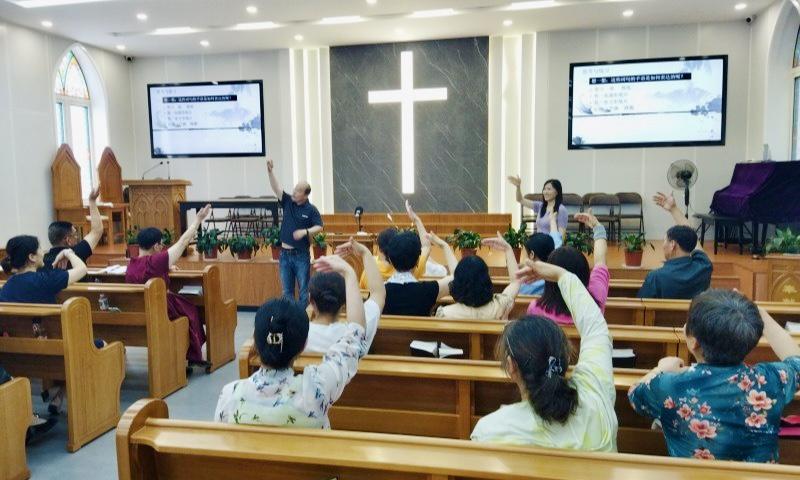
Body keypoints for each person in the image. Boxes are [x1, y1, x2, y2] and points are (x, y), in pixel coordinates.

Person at [628, 289, 800, 463]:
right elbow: (797, 362)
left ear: (694, 341)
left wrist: (660, 369)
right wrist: (757, 313)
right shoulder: (770, 380)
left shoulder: (670, 385)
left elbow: (635, 394)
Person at [471, 260, 617, 451]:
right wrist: (561, 274)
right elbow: (596, 329)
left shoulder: (489, 431)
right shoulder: (595, 398)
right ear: (564, 356)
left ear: (511, 366)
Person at [215, 254, 369, 428]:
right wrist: (349, 272)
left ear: (256, 344)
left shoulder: (230, 394)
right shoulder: (316, 390)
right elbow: (355, 335)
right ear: (303, 346)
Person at [0, 235, 89, 415]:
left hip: (17, 354)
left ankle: (58, 392)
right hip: (56, 352)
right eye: (40, 248)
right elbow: (82, 269)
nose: (44, 252)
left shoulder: (7, 287)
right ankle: (61, 392)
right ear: (32, 257)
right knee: (102, 346)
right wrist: (68, 252)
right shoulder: (45, 280)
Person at [125, 204, 212, 366]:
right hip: (159, 308)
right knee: (192, 312)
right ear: (156, 246)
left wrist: (168, 266)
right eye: (161, 244)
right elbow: (183, 241)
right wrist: (198, 219)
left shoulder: (132, 263)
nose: (162, 247)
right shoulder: (155, 261)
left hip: (141, 309)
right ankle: (192, 356)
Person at [526, 210, 609, 326]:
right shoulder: (596, 297)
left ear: (550, 276)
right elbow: (600, 259)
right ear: (585, 273)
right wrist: (597, 226)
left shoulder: (536, 308)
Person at [306, 237, 385, 353]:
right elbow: (378, 294)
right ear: (344, 303)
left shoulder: (298, 338)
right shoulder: (354, 335)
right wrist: (365, 253)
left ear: (310, 300)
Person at [267, 159, 323, 307]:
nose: (294, 192)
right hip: (284, 254)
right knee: (287, 292)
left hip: (301, 255)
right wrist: (270, 171)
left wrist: (305, 232)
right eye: (295, 189)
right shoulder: (288, 202)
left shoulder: (311, 210)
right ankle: (291, 319)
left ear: (305, 195)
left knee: (304, 291)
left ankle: (302, 320)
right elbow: (276, 188)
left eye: (298, 191)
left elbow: (319, 226)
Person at [638, 191, 712, 299]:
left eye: (665, 241)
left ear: (672, 244)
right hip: (695, 316)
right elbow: (692, 237)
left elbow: (641, 306)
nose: (663, 246)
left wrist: (673, 209)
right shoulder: (704, 267)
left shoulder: (655, 277)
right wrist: (673, 209)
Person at [435, 233, 520, 320]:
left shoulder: (444, 314)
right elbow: (516, 282)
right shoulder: (500, 306)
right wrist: (508, 249)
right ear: (487, 281)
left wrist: (445, 246)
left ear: (457, 284)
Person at [382, 230, 457, 316]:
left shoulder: (379, 292)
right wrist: (444, 246)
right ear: (418, 260)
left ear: (390, 261)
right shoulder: (428, 290)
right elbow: (458, 277)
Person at [359, 200, 430, 288]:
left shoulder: (369, 272)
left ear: (380, 248)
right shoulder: (410, 268)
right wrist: (416, 220)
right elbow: (426, 246)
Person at [42, 184, 103, 272]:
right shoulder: (77, 252)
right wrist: (92, 201)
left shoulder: (43, 260)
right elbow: (97, 231)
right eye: (75, 235)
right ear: (68, 240)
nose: (77, 237)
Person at [519, 213, 562, 296]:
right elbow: (556, 239)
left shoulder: (528, 283)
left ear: (531, 254)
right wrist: (552, 220)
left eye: (524, 253)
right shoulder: (556, 263)